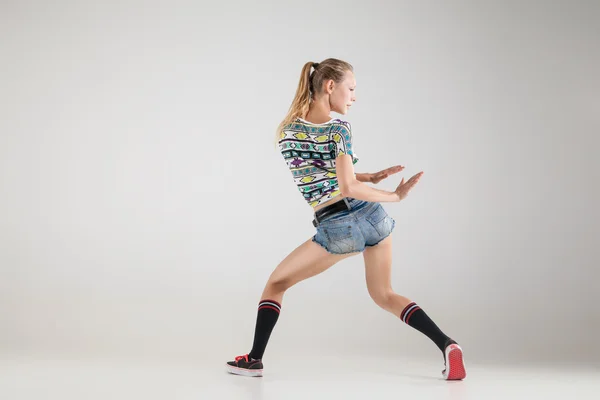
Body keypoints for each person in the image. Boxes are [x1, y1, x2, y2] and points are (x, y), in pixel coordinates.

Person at [226, 58, 466, 380]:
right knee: (385, 294)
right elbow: (345, 182)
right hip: (373, 218)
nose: (353, 97)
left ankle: (254, 359)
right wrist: (390, 195)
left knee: (275, 284)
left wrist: (372, 179)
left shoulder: (287, 132)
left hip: (338, 226)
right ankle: (447, 344)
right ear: (330, 86)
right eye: (351, 89)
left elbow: (323, 177)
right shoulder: (340, 128)